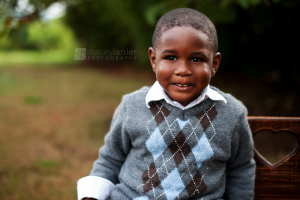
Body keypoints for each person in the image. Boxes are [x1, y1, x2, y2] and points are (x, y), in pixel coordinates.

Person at [77, 8, 255, 200]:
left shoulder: (232, 114)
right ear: (154, 60)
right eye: (171, 57)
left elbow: (241, 168)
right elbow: (111, 158)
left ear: (214, 64)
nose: (183, 70)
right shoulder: (132, 106)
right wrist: (91, 196)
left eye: (196, 59)